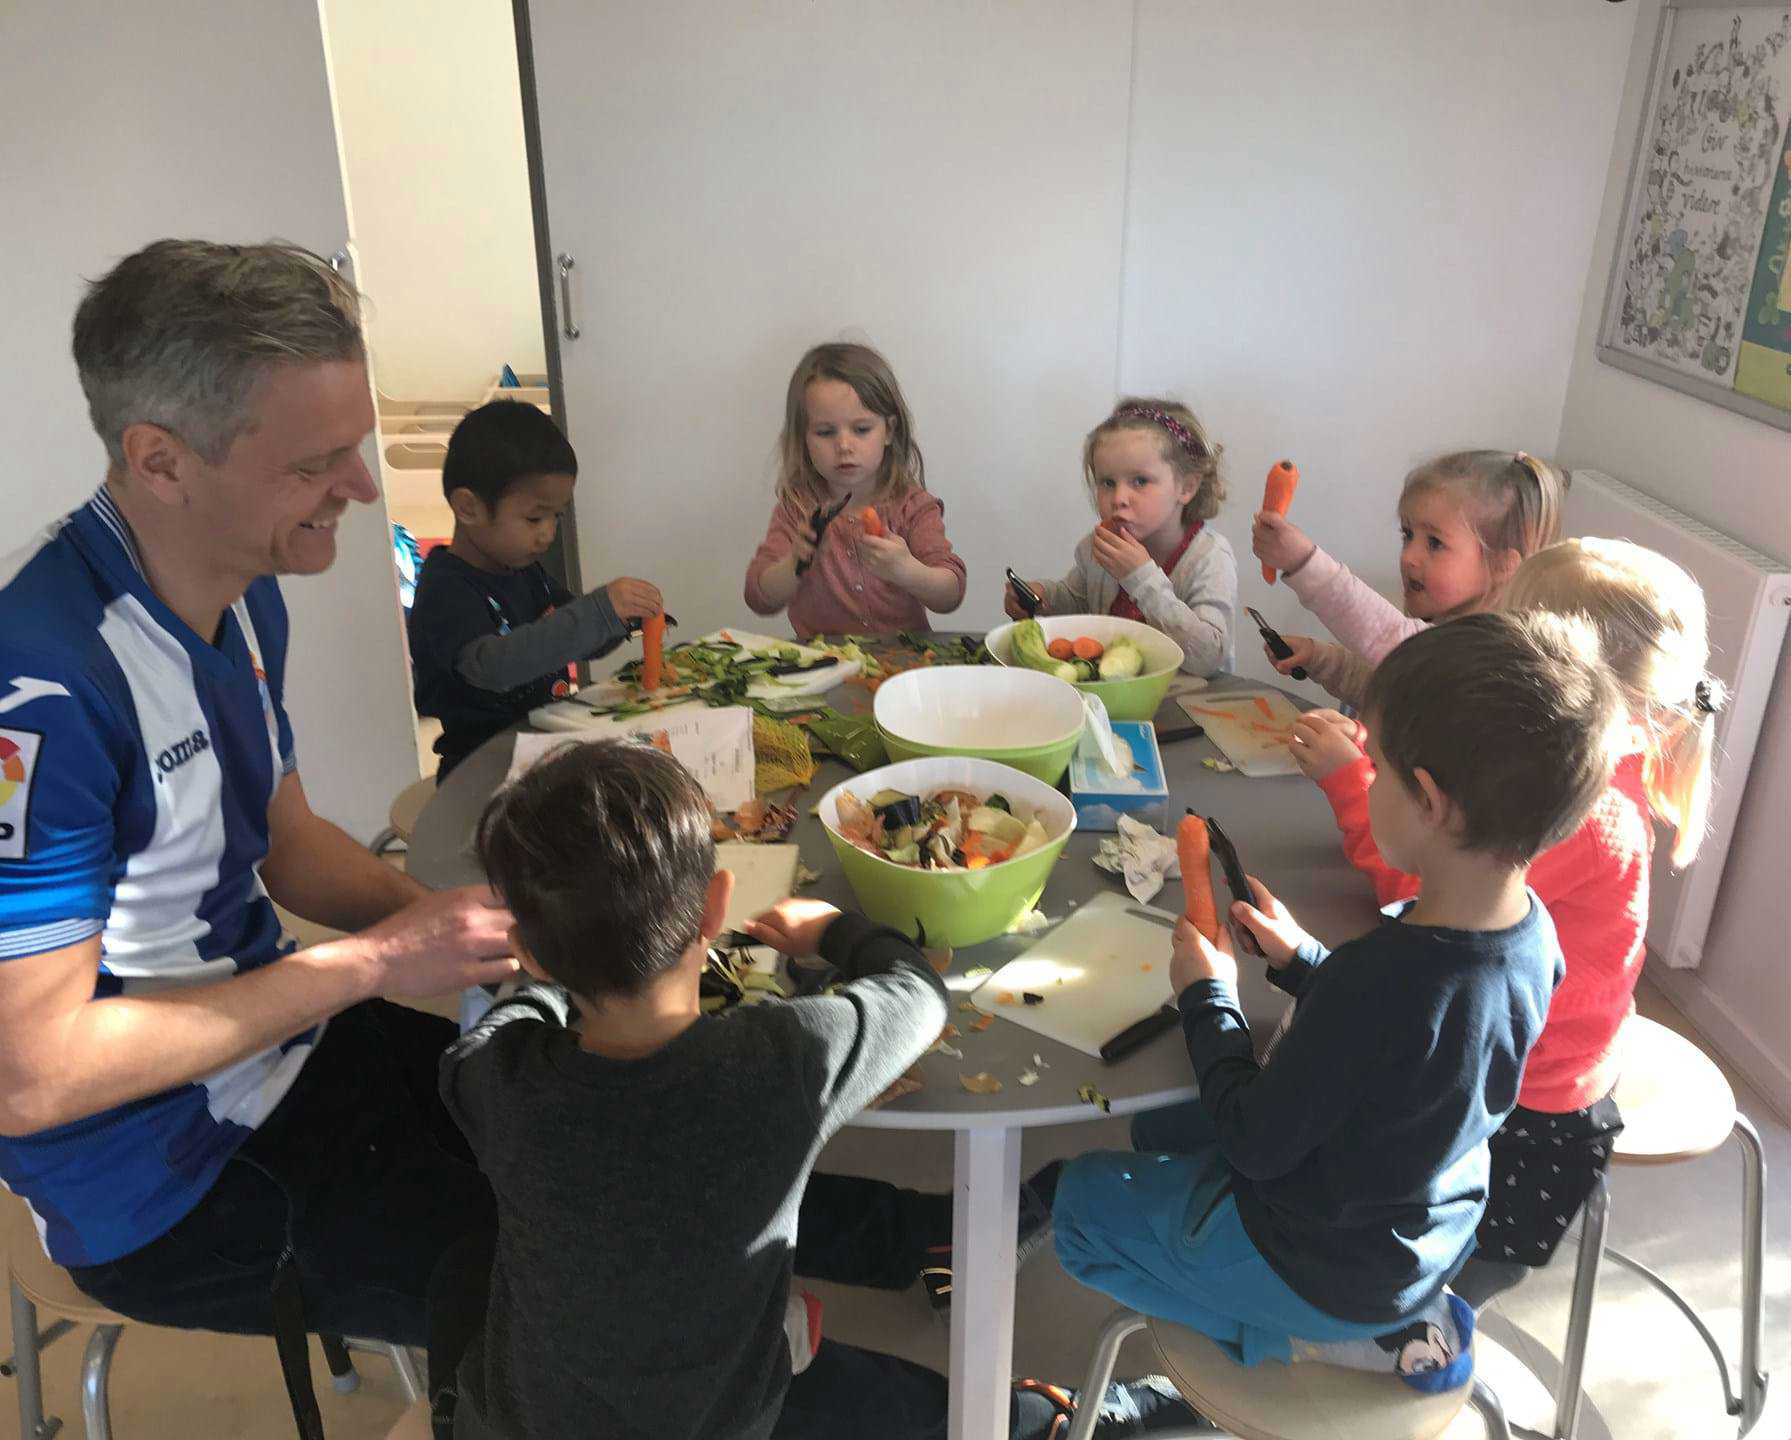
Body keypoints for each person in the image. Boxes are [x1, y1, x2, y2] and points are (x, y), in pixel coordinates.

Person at [0, 239, 521, 1434]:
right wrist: (377, 963)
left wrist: (466, 933)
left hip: (283, 1046)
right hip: (153, 1181)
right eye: (316, 463)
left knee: (581, 1127)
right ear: (161, 462)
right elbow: (30, 1077)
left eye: (355, 446)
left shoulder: (244, 586)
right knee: (546, 1292)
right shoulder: (41, 687)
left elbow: (285, 841)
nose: (363, 489)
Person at [439, 741, 1189, 1439]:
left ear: (529, 952)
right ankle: (1037, 1418)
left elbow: (503, 1023)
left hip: (525, 1421)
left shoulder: (490, 1080)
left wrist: (553, 978)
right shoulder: (780, 1060)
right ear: (716, 907)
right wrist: (834, 930)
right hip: (721, 1417)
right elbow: (919, 994)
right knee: (901, 1402)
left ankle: (923, 1254)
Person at [1047, 612, 1622, 1389]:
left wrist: (1208, 998)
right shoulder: (1534, 934)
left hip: (1321, 1265)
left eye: (1374, 767)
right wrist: (1303, 962)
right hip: (1424, 1235)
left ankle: (1311, 1341)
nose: (1366, 779)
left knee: (1079, 1207)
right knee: (1160, 1126)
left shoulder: (1380, 979)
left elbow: (1254, 1140)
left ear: (1428, 801)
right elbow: (1422, 1049)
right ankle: (1366, 1317)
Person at [1287, 538, 1720, 1305]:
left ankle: (1393, 1346)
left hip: (1525, 1109)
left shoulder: (1579, 817)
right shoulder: (1577, 774)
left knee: (1407, 1279)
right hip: (1544, 1056)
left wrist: (1355, 785)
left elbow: (1421, 895)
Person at [407, 400, 666, 779]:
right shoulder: (446, 589)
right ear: (468, 508)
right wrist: (598, 612)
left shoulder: (524, 570)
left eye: (555, 516)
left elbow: (575, 637)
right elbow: (496, 667)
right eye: (534, 518)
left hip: (542, 750)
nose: (548, 533)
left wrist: (620, 620)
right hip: (481, 769)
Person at [1249, 449, 1568, 704]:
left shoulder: (1488, 653)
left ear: (1501, 566)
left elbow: (1395, 642)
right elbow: (1395, 691)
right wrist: (1324, 660)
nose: (1409, 557)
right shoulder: (1446, 636)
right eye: (1407, 534)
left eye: (1435, 543)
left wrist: (1304, 562)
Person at [743, 342, 966, 638]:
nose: (844, 445)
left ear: (889, 431)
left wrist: (908, 571)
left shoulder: (912, 506)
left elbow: (951, 594)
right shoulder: (798, 510)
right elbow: (758, 596)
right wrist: (795, 563)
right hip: (822, 660)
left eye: (861, 430)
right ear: (804, 439)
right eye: (825, 432)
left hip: (904, 659)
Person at [1002, 398, 1236, 677]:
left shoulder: (1209, 557)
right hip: (1115, 696)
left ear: (1186, 486)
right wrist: (1041, 596)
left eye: (1140, 481)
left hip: (1194, 699)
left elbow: (1209, 656)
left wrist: (1141, 577)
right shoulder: (1100, 546)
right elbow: (1078, 599)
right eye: (1108, 483)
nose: (1119, 498)